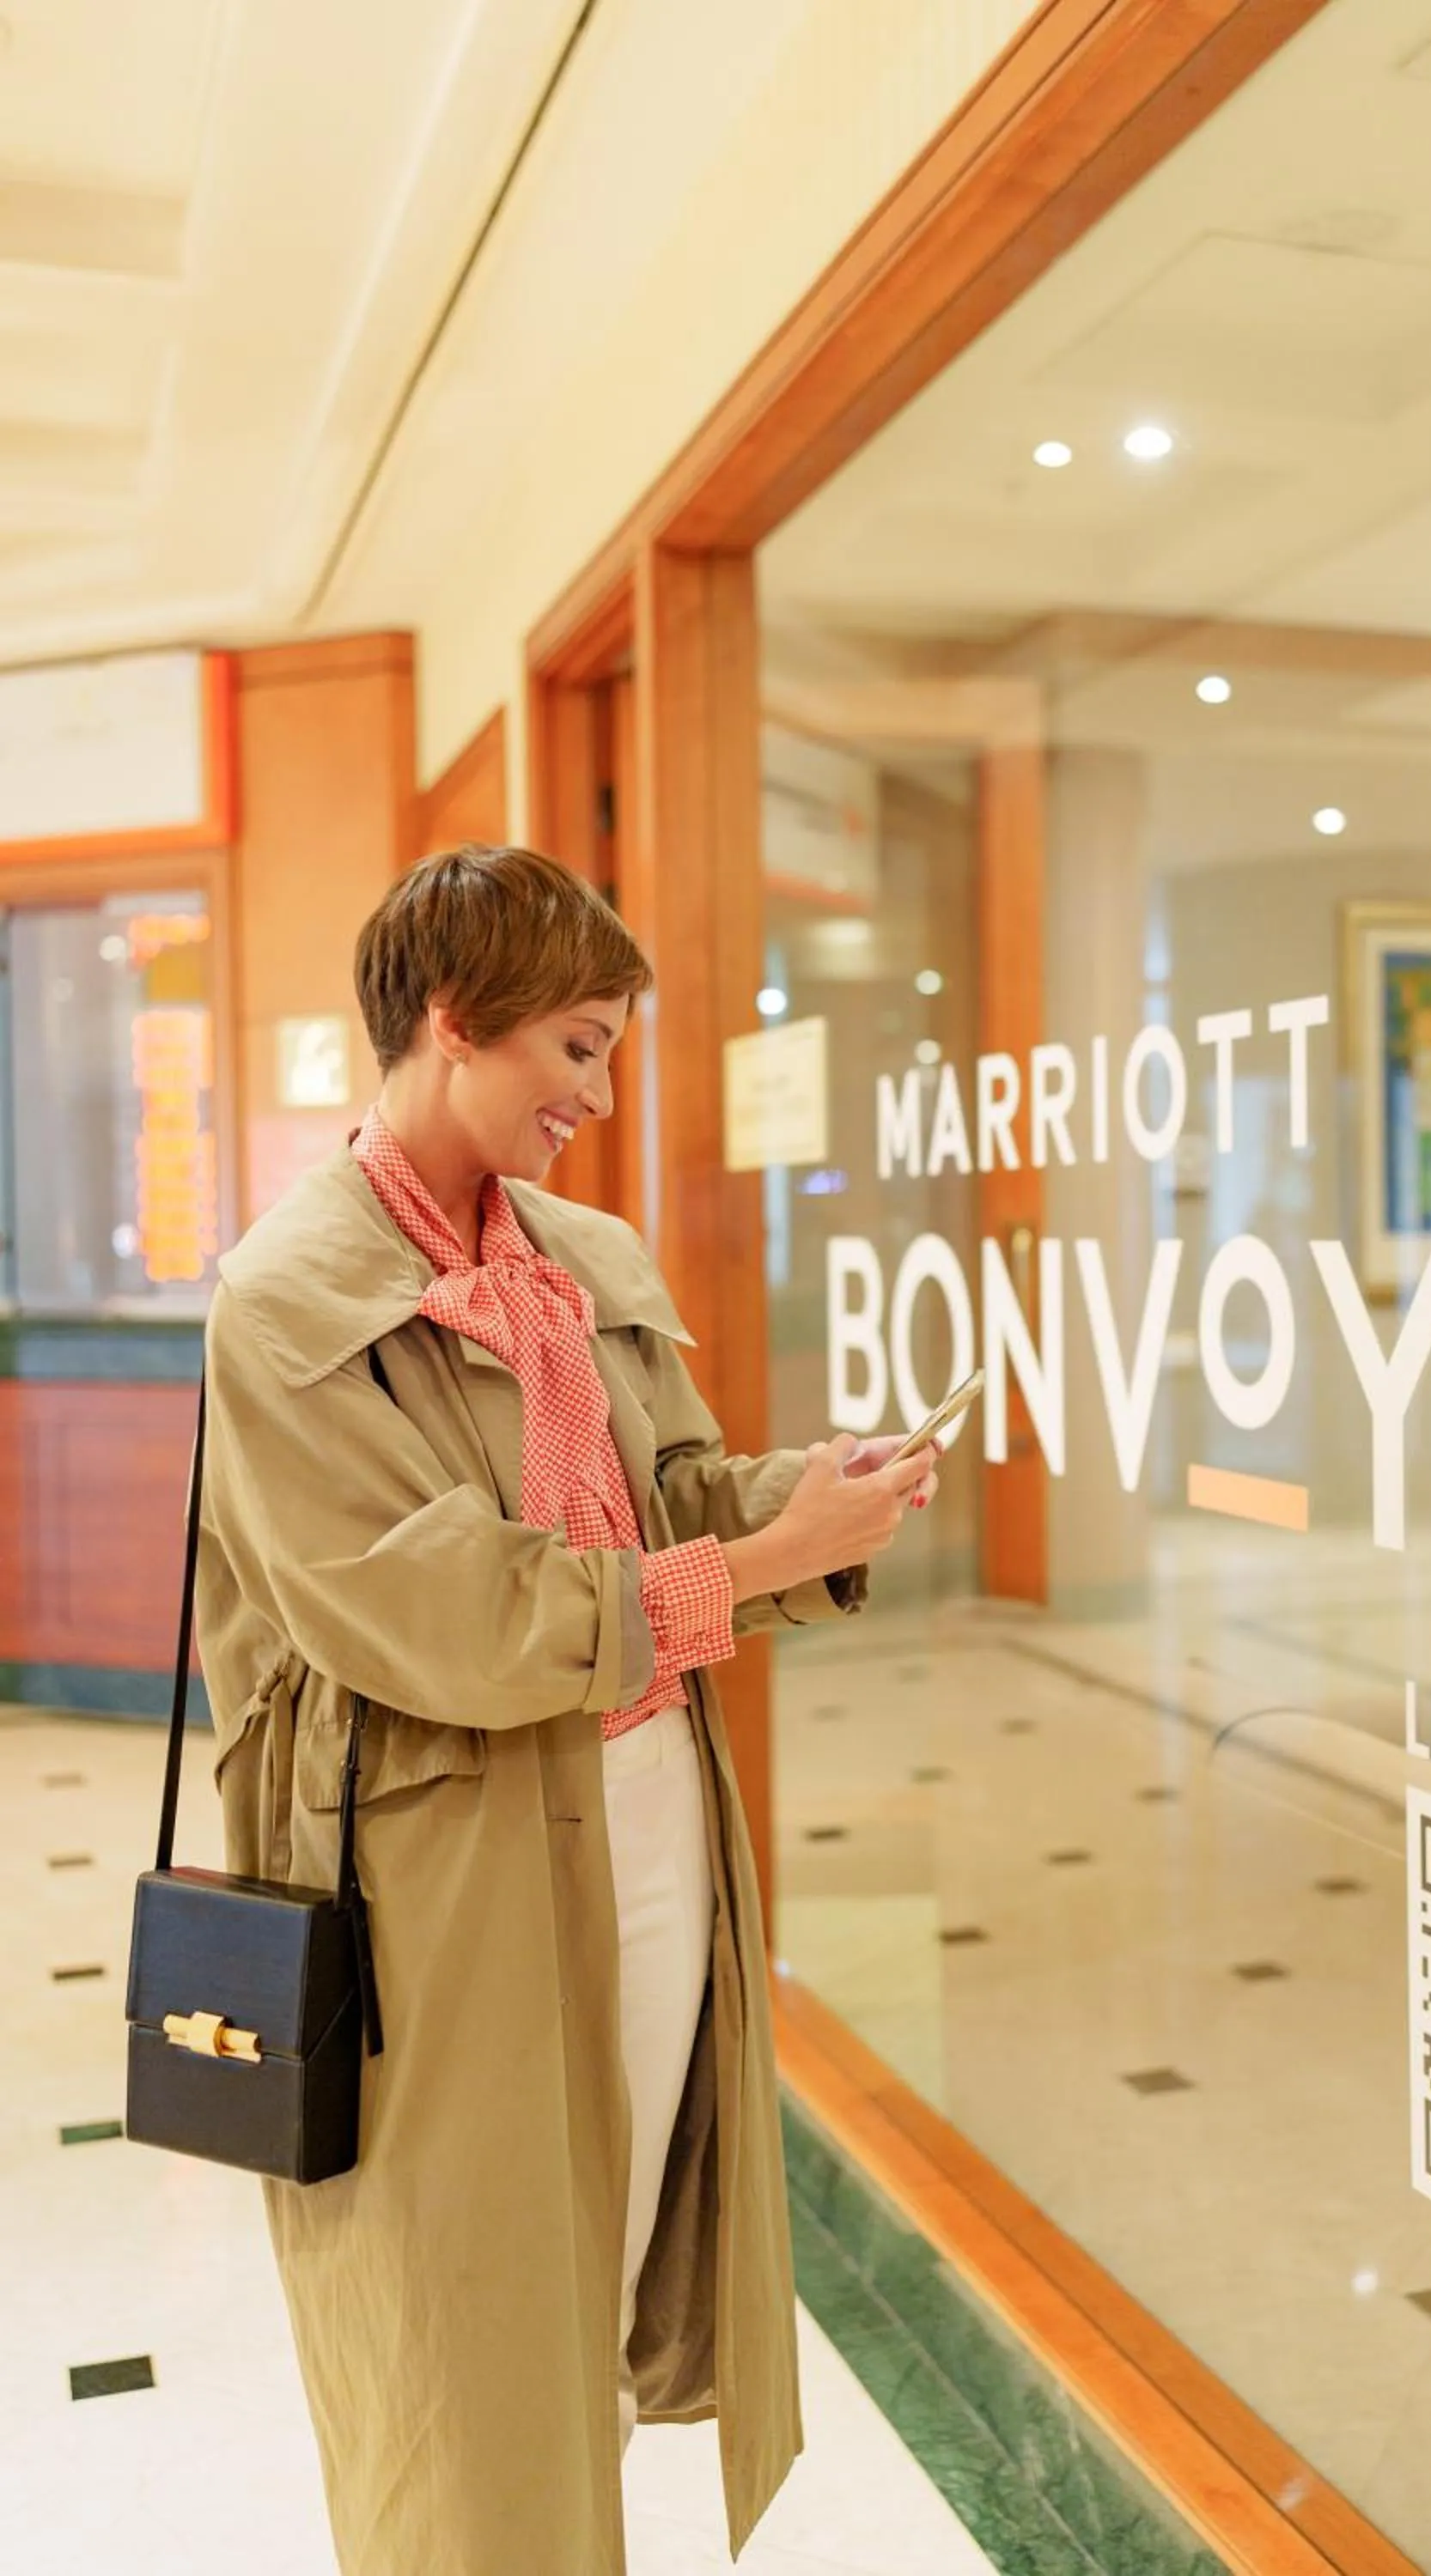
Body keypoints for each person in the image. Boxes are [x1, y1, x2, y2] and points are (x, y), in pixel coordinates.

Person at [194, 844, 940, 2575]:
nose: (597, 1098)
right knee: (465, 2292)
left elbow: (654, 1499)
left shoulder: (582, 1256)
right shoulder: (286, 1301)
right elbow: (433, 1610)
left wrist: (797, 1496)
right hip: (431, 1870)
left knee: (598, 2253)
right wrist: (755, 1567)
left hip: (654, 1808)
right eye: (577, 1050)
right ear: (453, 1027)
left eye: (608, 1052)